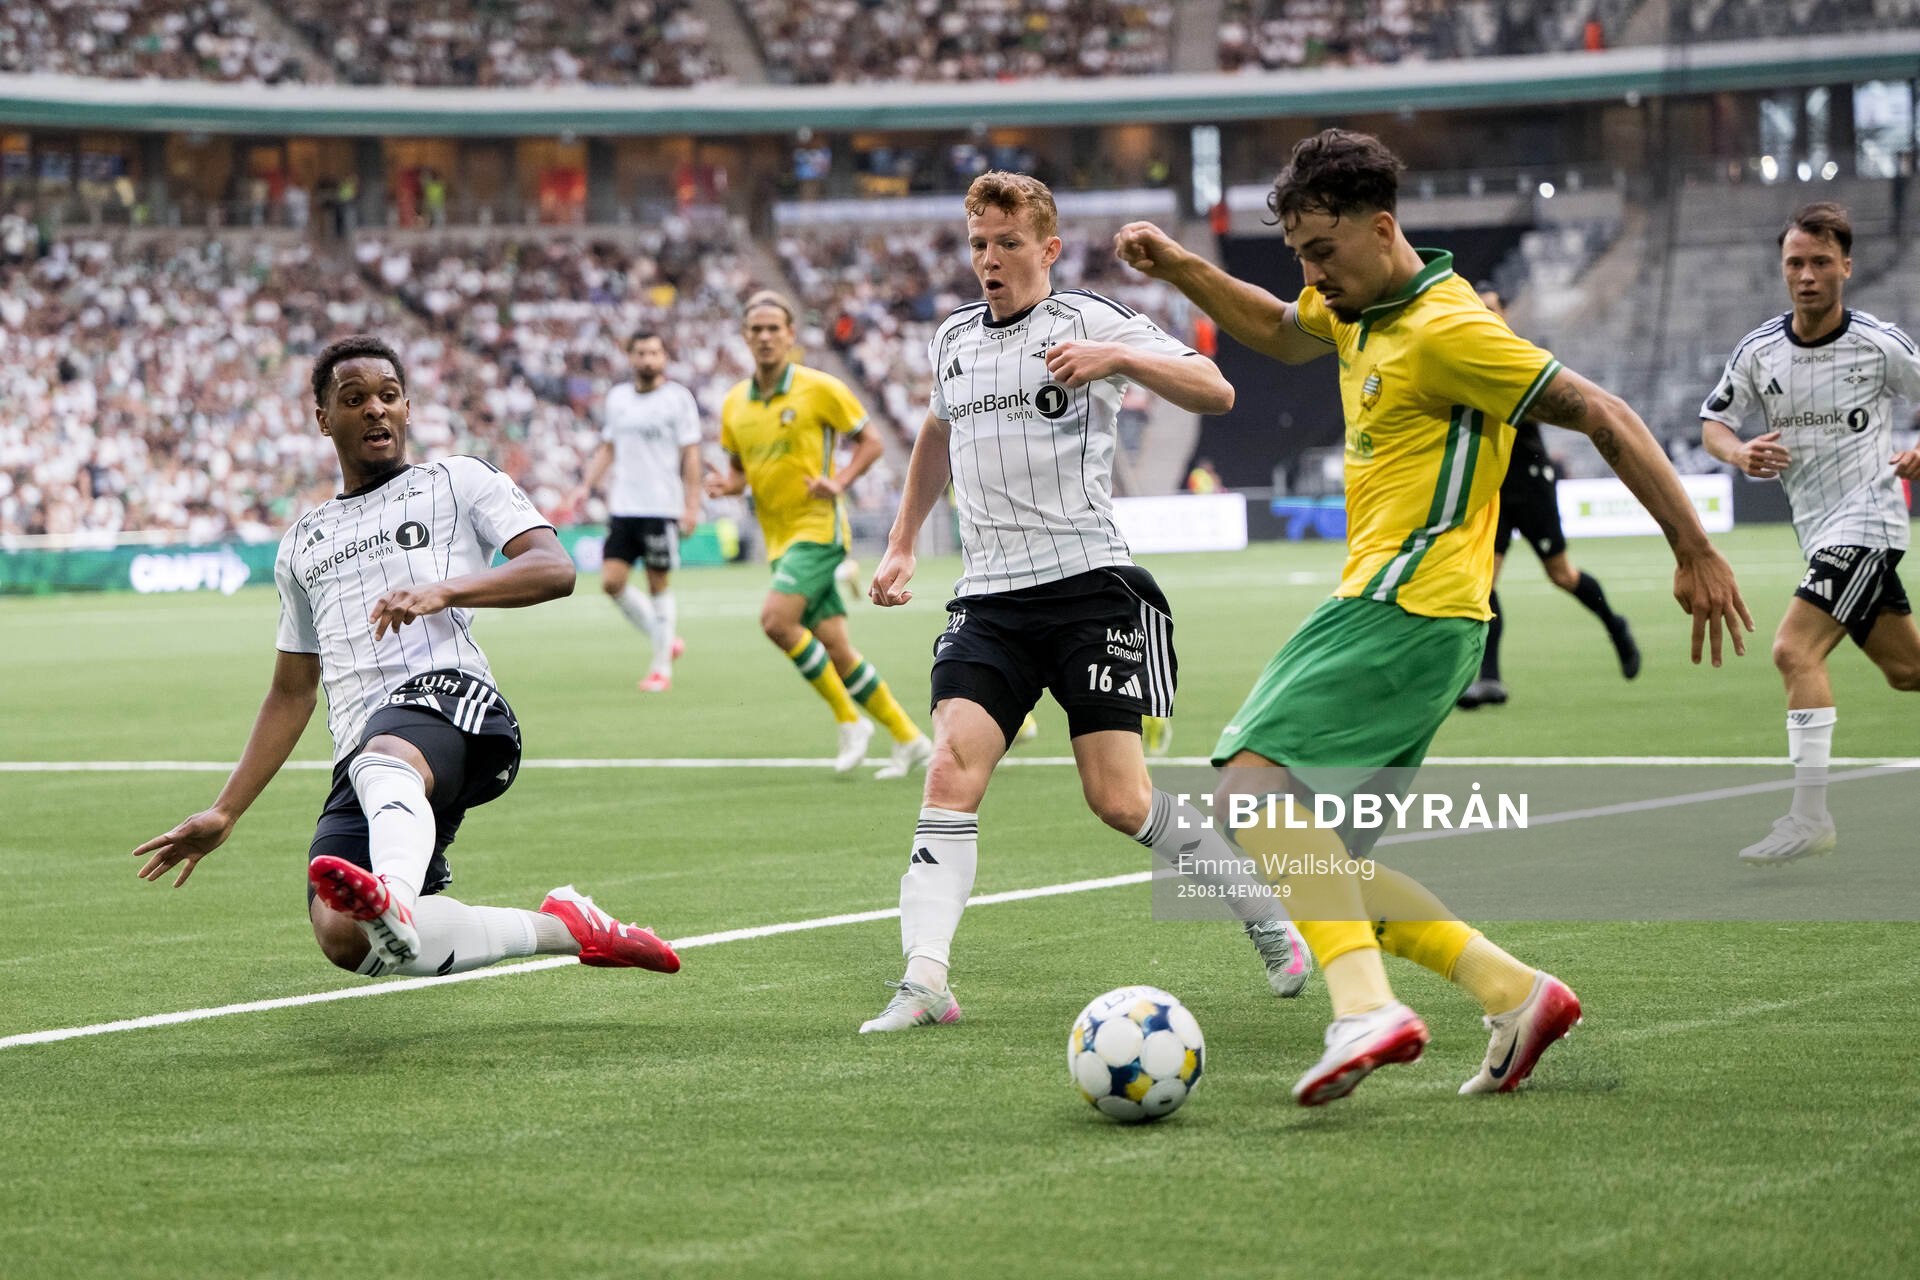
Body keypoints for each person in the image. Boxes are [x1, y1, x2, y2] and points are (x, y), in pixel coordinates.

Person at [1115, 129, 1750, 1104]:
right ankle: (1516, 993)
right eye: (1300, 255)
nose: (1312, 276)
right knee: (1323, 867)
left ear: (1382, 229)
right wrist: (1180, 266)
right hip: (1428, 620)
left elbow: (1604, 412)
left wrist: (1694, 546)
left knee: (1249, 791)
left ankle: (1365, 1009)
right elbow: (1279, 328)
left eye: (1323, 251)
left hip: (1400, 604)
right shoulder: (1357, 309)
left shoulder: (1449, 328)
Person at [857, 171, 1310, 1034]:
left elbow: (1216, 388)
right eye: (979, 245)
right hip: (988, 599)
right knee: (950, 771)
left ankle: (1263, 913)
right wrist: (904, 539)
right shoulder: (953, 338)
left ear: (1049, 249)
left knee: (1119, 800)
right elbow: (937, 431)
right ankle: (925, 982)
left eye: (1008, 244)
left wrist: (1121, 360)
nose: (990, 260)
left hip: (1088, 590)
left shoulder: (1089, 319)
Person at [130, 335, 681, 982]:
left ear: (407, 409)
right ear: (323, 419)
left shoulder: (456, 481)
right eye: (354, 399)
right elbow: (292, 691)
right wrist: (225, 810)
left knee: (385, 768)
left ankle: (392, 892)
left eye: (389, 396)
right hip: (363, 751)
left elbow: (554, 568)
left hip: (452, 702)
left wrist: (445, 590)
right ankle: (564, 928)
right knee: (344, 936)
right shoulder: (301, 543)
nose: (375, 409)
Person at [1699, 201, 1920, 865]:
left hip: (1870, 521)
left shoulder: (1880, 345)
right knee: (1908, 671)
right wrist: (1739, 452)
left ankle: (1809, 815)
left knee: (1794, 650)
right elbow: (1714, 423)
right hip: (1818, 530)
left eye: (1821, 262)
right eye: (1795, 262)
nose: (1806, 275)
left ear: (1846, 267)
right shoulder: (1759, 351)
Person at [706, 291, 932, 778]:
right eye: (756, 329)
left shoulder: (820, 388)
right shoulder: (734, 404)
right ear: (745, 336)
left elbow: (871, 441)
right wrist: (728, 485)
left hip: (818, 531)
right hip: (777, 539)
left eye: (774, 328)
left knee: (776, 621)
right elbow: (740, 471)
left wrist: (841, 481)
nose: (765, 337)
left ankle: (849, 720)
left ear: (790, 334)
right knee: (837, 648)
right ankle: (909, 738)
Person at [1457, 286, 1640, 708]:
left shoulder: (1518, 355)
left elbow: (1548, 406)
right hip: (1493, 487)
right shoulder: (1462, 359)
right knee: (1483, 583)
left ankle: (1615, 625)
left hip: (1531, 482)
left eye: (1491, 308)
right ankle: (1490, 679)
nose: (1485, 313)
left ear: (1505, 313)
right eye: (1477, 308)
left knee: (1562, 575)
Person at [570, 330, 702, 692]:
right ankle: (666, 640)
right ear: (631, 357)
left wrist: (692, 504)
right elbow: (608, 447)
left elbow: (691, 454)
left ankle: (661, 668)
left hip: (661, 506)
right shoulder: (618, 398)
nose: (647, 359)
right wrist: (587, 484)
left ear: (664, 357)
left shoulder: (678, 399)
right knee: (611, 583)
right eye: (641, 352)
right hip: (624, 506)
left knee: (658, 584)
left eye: (654, 352)